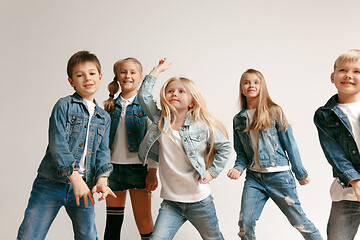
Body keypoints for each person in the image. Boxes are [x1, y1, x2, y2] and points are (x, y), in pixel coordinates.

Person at [17, 50, 116, 240]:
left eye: (92, 73)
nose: (87, 78)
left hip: (85, 186)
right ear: (71, 81)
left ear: (100, 77)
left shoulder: (104, 117)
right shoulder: (64, 105)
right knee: (30, 233)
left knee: (88, 235)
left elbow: (103, 151)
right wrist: (75, 178)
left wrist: (102, 180)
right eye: (80, 75)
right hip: (51, 183)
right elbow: (58, 144)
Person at [137, 58, 231, 240]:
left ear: (192, 102)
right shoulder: (160, 121)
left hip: (200, 202)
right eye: (170, 91)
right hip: (171, 203)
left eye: (181, 91)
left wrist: (212, 172)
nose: (174, 94)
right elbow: (144, 97)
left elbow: (225, 146)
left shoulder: (201, 126)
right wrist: (156, 70)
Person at [227, 69, 322, 240]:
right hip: (254, 178)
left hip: (280, 177)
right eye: (246, 82)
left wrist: (300, 173)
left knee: (299, 221)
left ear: (262, 86)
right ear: (241, 88)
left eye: (256, 82)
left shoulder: (274, 111)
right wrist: (238, 168)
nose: (251, 85)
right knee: (245, 224)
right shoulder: (238, 119)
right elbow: (241, 153)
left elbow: (290, 144)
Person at [103, 58, 158, 240]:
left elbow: (154, 140)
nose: (128, 76)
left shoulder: (146, 106)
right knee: (112, 224)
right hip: (112, 170)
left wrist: (152, 171)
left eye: (133, 72)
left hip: (138, 169)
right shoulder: (110, 106)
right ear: (117, 77)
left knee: (144, 223)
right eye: (123, 72)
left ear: (141, 77)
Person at [314, 49, 360, 240]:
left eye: (357, 71)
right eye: (343, 70)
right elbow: (334, 154)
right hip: (346, 193)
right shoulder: (324, 115)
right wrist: (355, 181)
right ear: (333, 77)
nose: (349, 75)